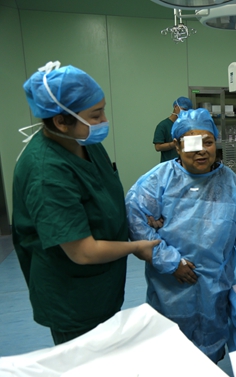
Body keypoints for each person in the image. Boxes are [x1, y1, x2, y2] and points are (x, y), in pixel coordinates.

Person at [12, 61, 159, 345]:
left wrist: (140, 218)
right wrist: (137, 246)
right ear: (61, 121)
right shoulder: (46, 173)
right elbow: (83, 252)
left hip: (103, 286)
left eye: (103, 109)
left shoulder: (85, 142)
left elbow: (103, 198)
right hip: (73, 298)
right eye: (95, 114)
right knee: (87, 364)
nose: (104, 120)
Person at [126, 108, 236, 363]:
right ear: (177, 146)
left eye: (208, 142)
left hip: (214, 284)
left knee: (209, 349)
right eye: (192, 144)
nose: (201, 151)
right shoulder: (158, 181)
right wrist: (170, 262)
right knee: (171, 353)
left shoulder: (231, 184)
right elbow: (136, 222)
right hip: (170, 285)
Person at [153, 96, 193, 162]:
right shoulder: (163, 125)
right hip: (169, 163)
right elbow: (158, 147)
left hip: (185, 163)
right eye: (184, 110)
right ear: (175, 107)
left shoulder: (186, 126)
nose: (185, 113)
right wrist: (175, 144)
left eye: (187, 111)